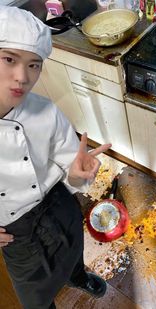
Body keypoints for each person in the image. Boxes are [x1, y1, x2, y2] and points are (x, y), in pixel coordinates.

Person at [0, 5, 111, 309]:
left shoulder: (45, 111)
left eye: (34, 65)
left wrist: (77, 175)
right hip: (15, 232)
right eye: (9, 59)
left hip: (58, 203)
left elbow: (67, 166)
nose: (23, 76)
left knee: (74, 249)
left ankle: (77, 276)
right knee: (34, 298)